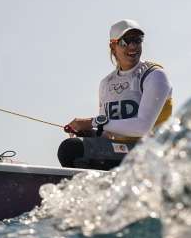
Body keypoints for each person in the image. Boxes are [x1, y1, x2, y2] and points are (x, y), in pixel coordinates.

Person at [59, 19, 173, 169]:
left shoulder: (154, 75)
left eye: (137, 40)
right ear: (113, 46)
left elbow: (142, 127)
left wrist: (92, 122)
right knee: (74, 148)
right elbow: (108, 134)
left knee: (73, 149)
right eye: (125, 41)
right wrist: (90, 133)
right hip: (123, 152)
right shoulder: (106, 83)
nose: (133, 46)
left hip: (154, 154)